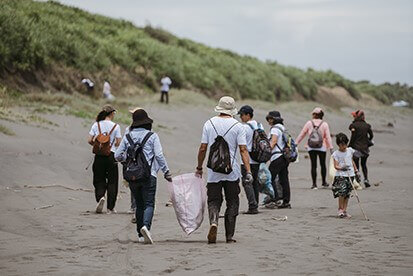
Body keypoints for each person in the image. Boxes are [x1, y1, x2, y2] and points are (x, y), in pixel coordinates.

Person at [196, 96, 253, 244]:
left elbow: (203, 148)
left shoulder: (209, 124)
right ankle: (229, 236)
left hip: (214, 171)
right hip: (232, 171)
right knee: (233, 201)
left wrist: (199, 167)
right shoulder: (238, 126)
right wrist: (248, 171)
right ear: (233, 110)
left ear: (219, 108)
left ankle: (214, 221)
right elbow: (243, 149)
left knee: (214, 200)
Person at [115, 108, 172, 244]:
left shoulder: (127, 136)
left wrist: (126, 160)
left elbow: (117, 155)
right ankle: (146, 227)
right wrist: (166, 171)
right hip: (149, 174)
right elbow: (158, 155)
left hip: (133, 175)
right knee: (149, 203)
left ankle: (140, 235)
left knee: (139, 204)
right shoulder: (152, 136)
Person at [87, 105, 122, 214]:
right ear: (111, 114)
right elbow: (118, 142)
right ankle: (110, 208)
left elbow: (89, 140)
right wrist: (111, 145)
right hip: (111, 155)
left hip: (99, 156)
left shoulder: (96, 125)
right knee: (112, 181)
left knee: (98, 179)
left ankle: (100, 198)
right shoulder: (116, 126)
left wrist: (98, 145)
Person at [296, 107, 333, 189]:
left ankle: (314, 184)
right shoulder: (324, 124)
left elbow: (302, 134)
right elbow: (327, 137)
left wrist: (296, 143)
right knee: (323, 164)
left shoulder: (309, 123)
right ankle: (323, 182)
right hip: (322, 147)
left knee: (313, 165)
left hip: (311, 147)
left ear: (315, 114)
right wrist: (331, 147)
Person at [265, 111, 291, 209]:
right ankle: (286, 201)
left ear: (273, 119)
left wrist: (267, 152)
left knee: (270, 178)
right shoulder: (283, 128)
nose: (268, 121)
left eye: (269, 119)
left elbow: (274, 141)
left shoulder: (275, 129)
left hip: (277, 157)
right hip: (285, 157)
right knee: (284, 179)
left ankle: (275, 199)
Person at [331, 133, 361, 218]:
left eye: (344, 144)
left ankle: (344, 210)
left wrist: (356, 171)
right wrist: (342, 168)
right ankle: (340, 209)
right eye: (341, 145)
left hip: (350, 175)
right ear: (338, 145)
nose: (343, 146)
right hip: (341, 175)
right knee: (341, 192)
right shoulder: (336, 154)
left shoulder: (350, 151)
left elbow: (352, 161)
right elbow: (335, 166)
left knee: (347, 193)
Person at [238, 105, 260, 215]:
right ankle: (256, 203)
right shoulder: (259, 126)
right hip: (257, 158)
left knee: (247, 183)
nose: (240, 117)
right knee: (255, 182)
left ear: (248, 115)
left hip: (247, 160)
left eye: (242, 115)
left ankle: (252, 206)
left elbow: (243, 146)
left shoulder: (245, 127)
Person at [349, 110, 373, 188]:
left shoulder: (353, 125)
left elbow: (353, 137)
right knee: (364, 164)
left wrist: (349, 146)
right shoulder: (367, 125)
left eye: (354, 116)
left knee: (356, 165)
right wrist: (368, 141)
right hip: (365, 148)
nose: (353, 117)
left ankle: (357, 180)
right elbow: (371, 135)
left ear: (356, 116)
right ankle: (366, 179)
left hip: (356, 147)